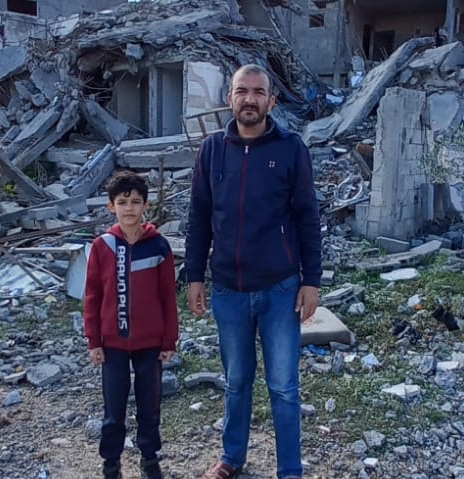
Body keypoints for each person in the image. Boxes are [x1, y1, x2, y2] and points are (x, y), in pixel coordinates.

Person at [185, 64, 322, 479]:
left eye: (258, 92)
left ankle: (290, 470)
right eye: (242, 91)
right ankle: (231, 458)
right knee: (237, 381)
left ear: (271, 101)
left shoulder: (291, 149)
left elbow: (307, 218)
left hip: (280, 288)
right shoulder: (212, 150)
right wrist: (194, 275)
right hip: (228, 289)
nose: (249, 99)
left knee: (283, 387)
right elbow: (199, 217)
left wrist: (311, 281)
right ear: (230, 98)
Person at [84, 170, 179, 479]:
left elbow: (167, 297)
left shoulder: (159, 246)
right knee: (114, 410)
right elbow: (93, 296)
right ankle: (111, 463)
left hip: (150, 344)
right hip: (112, 343)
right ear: (111, 206)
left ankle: (150, 458)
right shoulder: (103, 246)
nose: (129, 208)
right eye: (122, 202)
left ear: (145, 206)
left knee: (150, 405)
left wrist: (169, 341)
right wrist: (93, 341)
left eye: (135, 202)